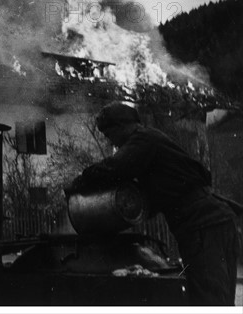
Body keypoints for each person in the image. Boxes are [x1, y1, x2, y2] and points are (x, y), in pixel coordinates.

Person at [67, 102, 241, 305]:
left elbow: (114, 168)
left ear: (122, 126)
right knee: (220, 299)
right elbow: (150, 199)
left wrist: (80, 181)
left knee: (208, 299)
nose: (111, 142)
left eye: (109, 135)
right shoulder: (153, 142)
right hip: (217, 221)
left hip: (201, 226)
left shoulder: (143, 140)